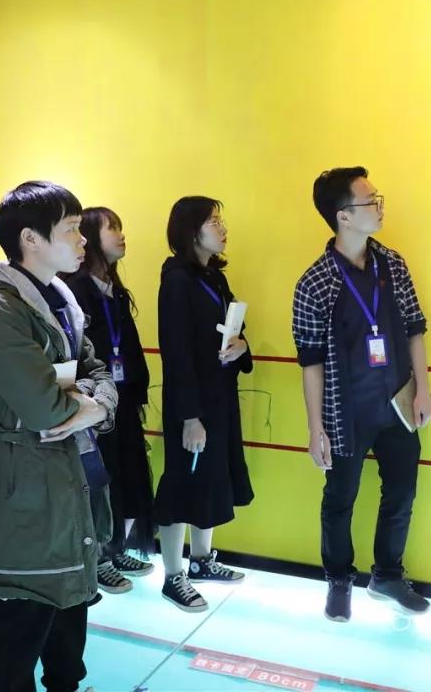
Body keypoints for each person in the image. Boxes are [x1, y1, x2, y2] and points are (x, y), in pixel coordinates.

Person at [0, 181, 116, 692]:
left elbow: (100, 373)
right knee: (20, 620)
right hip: (25, 480)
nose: (83, 240)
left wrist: (94, 405)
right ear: (30, 238)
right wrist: (90, 403)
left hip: (70, 471)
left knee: (69, 615)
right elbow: (45, 409)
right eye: (71, 229)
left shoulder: (61, 298)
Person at [292, 166, 431, 623]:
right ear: (344, 216)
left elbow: (414, 329)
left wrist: (423, 390)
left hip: (397, 403)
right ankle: (339, 580)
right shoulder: (314, 283)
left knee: (401, 492)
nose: (379, 207)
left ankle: (387, 575)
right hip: (345, 411)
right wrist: (316, 428)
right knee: (340, 498)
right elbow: (311, 362)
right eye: (371, 201)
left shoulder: (392, 264)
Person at [154, 196, 253, 613]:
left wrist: (242, 346)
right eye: (213, 221)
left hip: (219, 397)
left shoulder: (214, 277)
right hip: (191, 403)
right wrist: (189, 417)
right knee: (182, 482)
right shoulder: (177, 280)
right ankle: (172, 575)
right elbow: (176, 352)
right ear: (191, 230)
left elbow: (234, 329)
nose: (222, 228)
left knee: (210, 478)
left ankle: (201, 561)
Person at [64, 206, 155, 595]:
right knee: (100, 477)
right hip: (94, 402)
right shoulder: (76, 289)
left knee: (126, 476)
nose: (121, 234)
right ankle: (97, 556)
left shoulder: (113, 289)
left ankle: (115, 548)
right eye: (111, 228)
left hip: (123, 398)